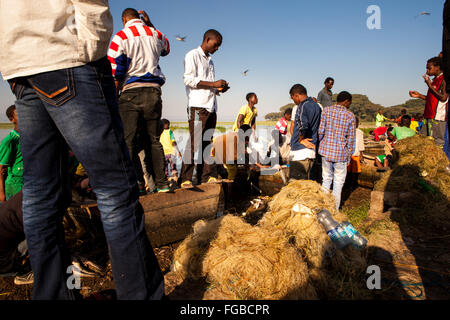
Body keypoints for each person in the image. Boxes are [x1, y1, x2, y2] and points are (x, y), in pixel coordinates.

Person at [0, 1, 164, 300]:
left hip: (21, 63)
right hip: (67, 54)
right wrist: (91, 49)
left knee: (40, 194)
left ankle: (53, 294)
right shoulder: (140, 34)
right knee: (115, 189)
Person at [107, 8, 170, 193]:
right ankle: (162, 184)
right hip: (154, 93)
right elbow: (166, 49)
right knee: (154, 140)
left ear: (124, 19)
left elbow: (116, 71)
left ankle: (137, 185)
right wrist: (150, 24)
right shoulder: (156, 34)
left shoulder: (121, 36)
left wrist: (115, 96)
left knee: (128, 141)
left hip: (131, 93)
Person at [180, 29, 229, 189]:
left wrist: (218, 89)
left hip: (211, 106)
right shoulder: (192, 55)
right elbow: (188, 80)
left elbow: (208, 85)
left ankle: (205, 177)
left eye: (219, 46)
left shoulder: (210, 61)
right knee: (194, 143)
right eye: (216, 45)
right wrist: (213, 84)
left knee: (207, 142)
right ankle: (185, 179)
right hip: (197, 106)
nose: (217, 49)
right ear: (207, 39)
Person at [318, 91, 356, 210]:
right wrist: (349, 156)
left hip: (326, 152)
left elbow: (320, 132)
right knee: (338, 184)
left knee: (326, 180)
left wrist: (321, 144)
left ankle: (323, 208)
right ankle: (333, 210)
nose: (349, 104)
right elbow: (351, 139)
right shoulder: (350, 116)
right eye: (349, 102)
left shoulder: (326, 111)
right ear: (346, 101)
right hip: (340, 154)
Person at [409, 56, 449, 146]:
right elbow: (433, 98)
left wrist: (429, 85)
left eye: (429, 68)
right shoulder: (434, 80)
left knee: (436, 144)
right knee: (423, 141)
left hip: (437, 118)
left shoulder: (444, 79)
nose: (427, 71)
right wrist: (419, 95)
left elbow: (443, 98)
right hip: (428, 116)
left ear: (438, 67)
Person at [289, 84, 322, 180]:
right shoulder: (317, 106)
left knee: (297, 186)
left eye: (293, 98)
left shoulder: (302, 106)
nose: (294, 101)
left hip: (300, 153)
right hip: (311, 152)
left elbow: (303, 125)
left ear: (296, 95)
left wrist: (301, 139)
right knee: (306, 185)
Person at [0, 105, 23, 202]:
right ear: (12, 120)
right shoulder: (9, 141)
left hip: (29, 184)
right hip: (15, 187)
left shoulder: (29, 137)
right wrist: (1, 193)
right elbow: (1, 169)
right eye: (19, 114)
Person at [347, 118, 365, 189]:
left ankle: (352, 184)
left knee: (355, 171)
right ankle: (348, 184)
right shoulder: (347, 131)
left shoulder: (359, 132)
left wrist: (361, 154)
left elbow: (361, 144)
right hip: (348, 154)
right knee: (348, 170)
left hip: (355, 154)